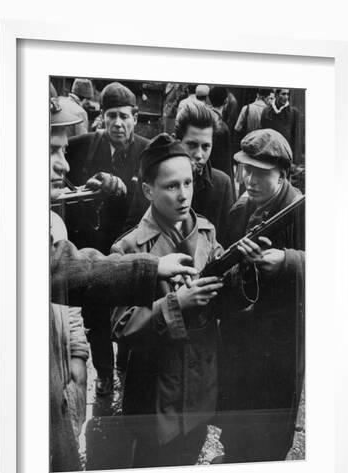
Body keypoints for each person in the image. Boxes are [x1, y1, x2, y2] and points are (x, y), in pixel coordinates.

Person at [49, 98, 197, 472]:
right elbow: (67, 270)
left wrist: (76, 355)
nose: (64, 165)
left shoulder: (204, 229)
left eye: (188, 183)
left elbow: (62, 303)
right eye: (52, 151)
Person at [111, 133, 225, 468]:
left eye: (188, 182)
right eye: (171, 186)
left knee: (187, 467)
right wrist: (177, 304)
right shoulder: (130, 248)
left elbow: (221, 298)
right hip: (155, 398)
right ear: (148, 190)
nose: (184, 194)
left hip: (198, 392)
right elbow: (122, 324)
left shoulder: (206, 233)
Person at [217, 128, 305, 463]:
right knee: (236, 421)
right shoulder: (240, 210)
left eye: (260, 173)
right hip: (241, 340)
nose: (249, 179)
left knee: (271, 433)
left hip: (281, 346)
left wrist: (289, 261)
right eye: (245, 169)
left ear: (282, 174)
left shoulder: (303, 212)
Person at [65, 82, 150, 396]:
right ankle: (103, 372)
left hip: (131, 247)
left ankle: (126, 371)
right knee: (97, 318)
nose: (118, 123)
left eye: (125, 116)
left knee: (132, 312)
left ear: (135, 117)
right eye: (111, 115)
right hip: (93, 249)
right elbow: (57, 176)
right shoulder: (82, 146)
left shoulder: (148, 150)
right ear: (101, 117)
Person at [125, 101, 234, 242]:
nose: (199, 155)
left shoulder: (222, 184)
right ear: (176, 141)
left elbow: (227, 240)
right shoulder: (155, 175)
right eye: (192, 145)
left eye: (206, 147)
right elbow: (134, 229)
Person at [260, 88, 301, 163]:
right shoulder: (266, 111)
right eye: (283, 94)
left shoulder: (293, 112)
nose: (286, 97)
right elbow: (262, 135)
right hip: (270, 154)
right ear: (276, 95)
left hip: (285, 155)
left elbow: (295, 137)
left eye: (287, 94)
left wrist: (295, 160)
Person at [208, 86, 233, 181]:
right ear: (226, 101)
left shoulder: (204, 118)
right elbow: (225, 162)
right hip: (217, 176)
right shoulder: (222, 127)